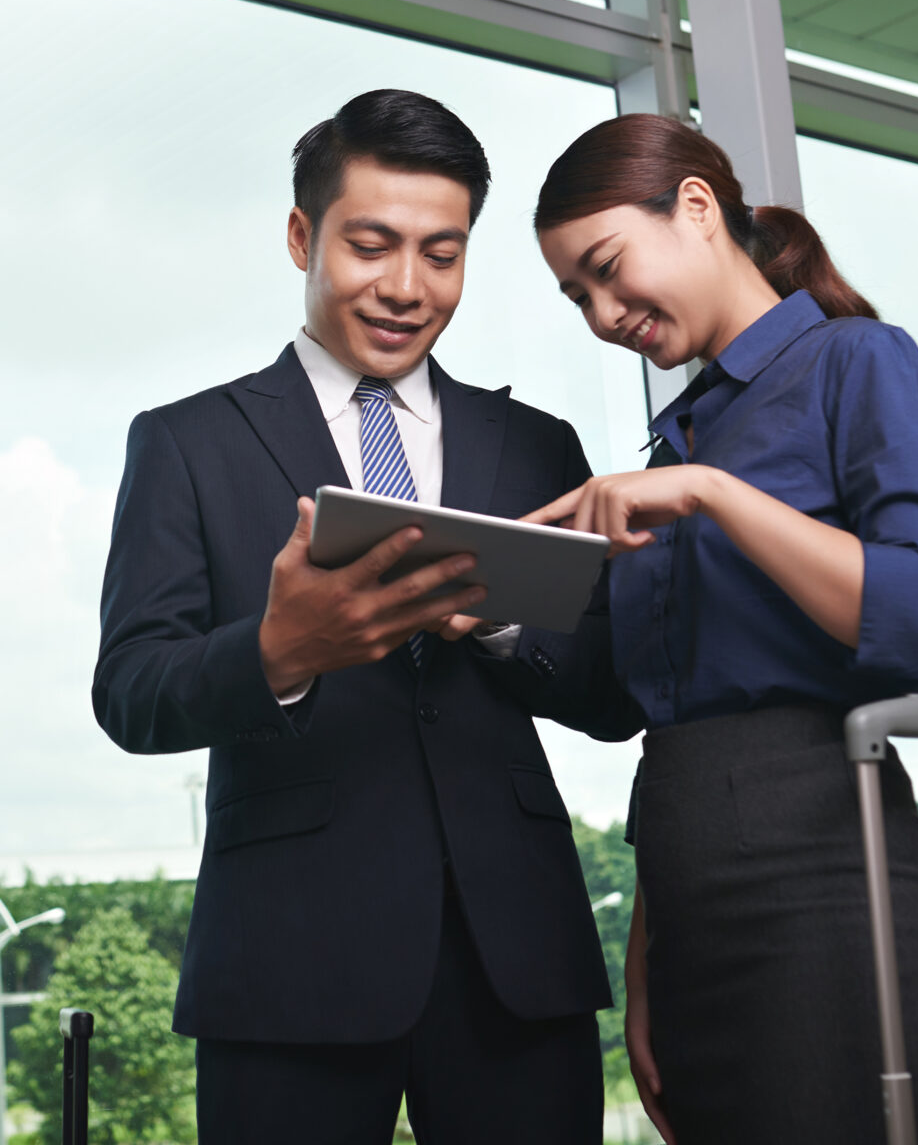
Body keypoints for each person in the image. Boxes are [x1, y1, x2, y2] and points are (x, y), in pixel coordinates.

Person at [92, 88, 639, 1144]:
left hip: (515, 960)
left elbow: (615, 696)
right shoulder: (187, 445)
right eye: (371, 245)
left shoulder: (534, 446)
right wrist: (280, 650)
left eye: (442, 253)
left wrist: (492, 619)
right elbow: (130, 692)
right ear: (302, 236)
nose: (405, 287)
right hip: (289, 960)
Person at [525, 113, 918, 1144]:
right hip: (690, 909)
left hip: (827, 894)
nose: (601, 313)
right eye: (575, 297)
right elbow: (674, 725)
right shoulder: (682, 432)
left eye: (605, 268)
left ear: (694, 207)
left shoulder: (855, 364)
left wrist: (714, 495)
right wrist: (649, 958)